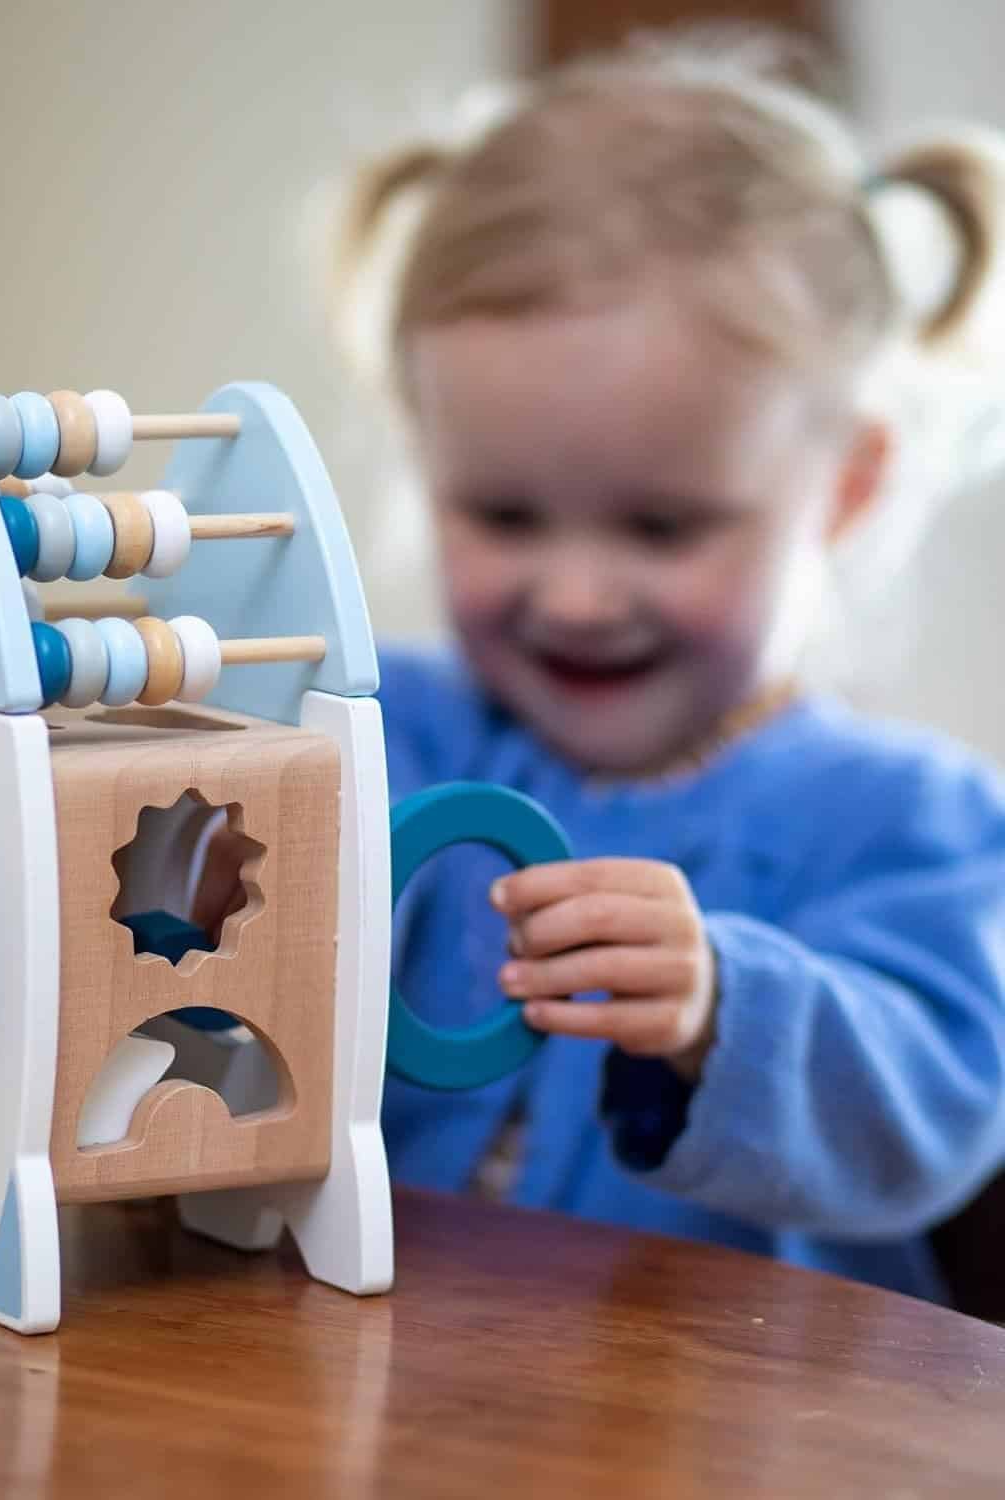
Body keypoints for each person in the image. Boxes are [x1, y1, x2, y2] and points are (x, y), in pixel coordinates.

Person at [209, 32, 1005, 1303]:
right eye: (505, 517)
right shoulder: (367, 733)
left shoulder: (916, 821)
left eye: (661, 527)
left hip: (732, 1428)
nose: (574, 597)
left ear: (842, 489)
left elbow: (937, 1105)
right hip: (359, 1387)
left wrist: (720, 1008)